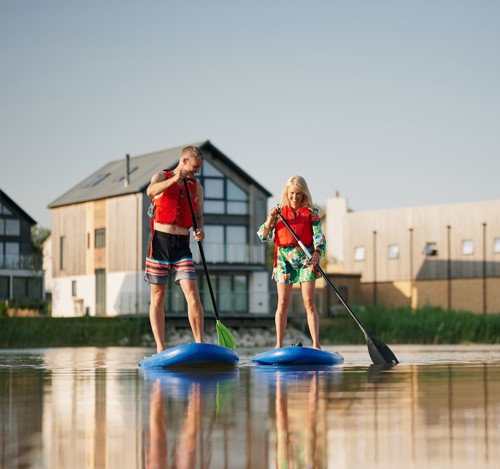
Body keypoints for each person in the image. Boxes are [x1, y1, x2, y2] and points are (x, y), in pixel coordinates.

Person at [144, 145, 206, 353]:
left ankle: (200, 344)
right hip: (159, 242)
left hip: (182, 245)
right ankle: (161, 348)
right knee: (158, 295)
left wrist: (200, 230)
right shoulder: (162, 176)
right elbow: (150, 191)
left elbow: (198, 215)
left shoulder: (196, 187)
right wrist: (174, 179)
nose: (197, 171)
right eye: (195, 166)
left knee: (192, 293)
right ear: (185, 161)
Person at [257, 175, 326, 349]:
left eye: (298, 194)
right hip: (283, 260)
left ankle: (316, 345)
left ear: (304, 195)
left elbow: (319, 237)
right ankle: (278, 345)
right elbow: (263, 236)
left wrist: (317, 252)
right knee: (283, 302)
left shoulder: (312, 213)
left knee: (309, 302)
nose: (295, 197)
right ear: (287, 194)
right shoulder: (278, 212)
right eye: (292, 194)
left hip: (306, 258)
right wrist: (270, 219)